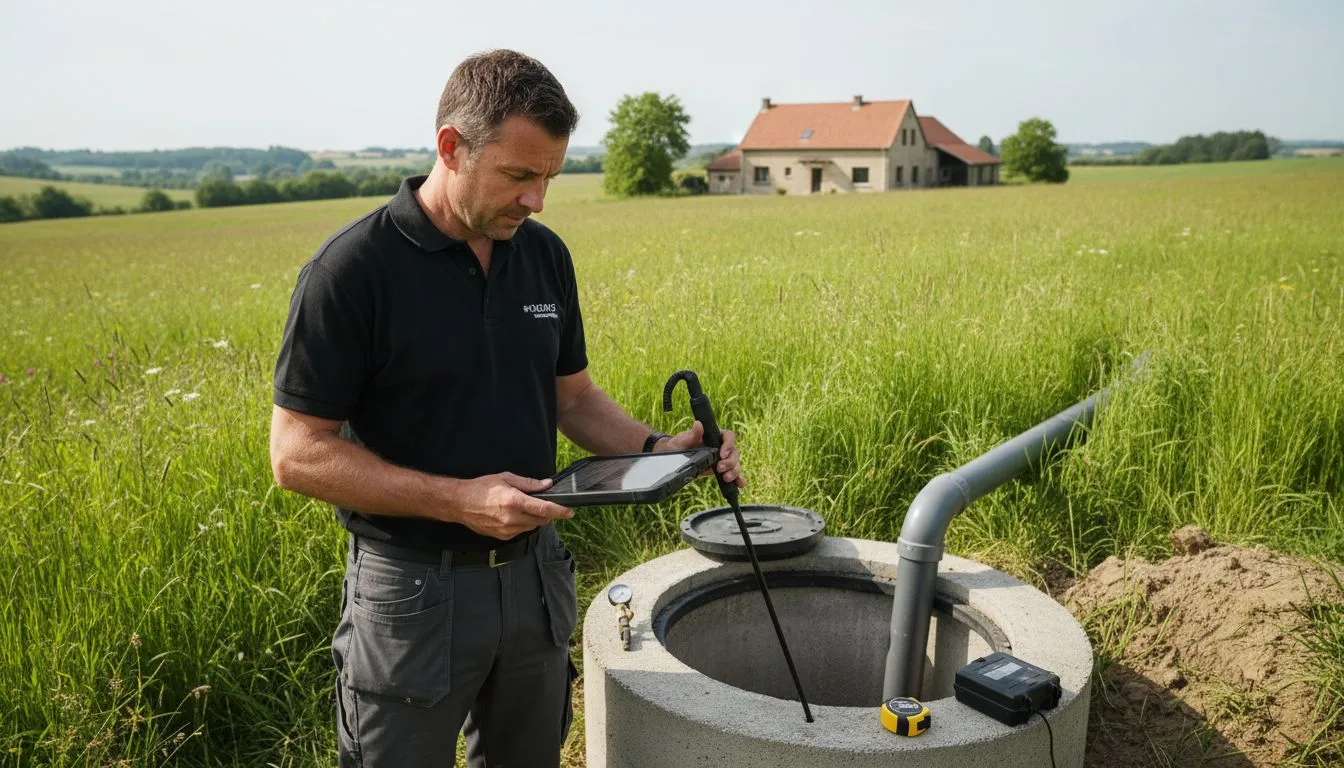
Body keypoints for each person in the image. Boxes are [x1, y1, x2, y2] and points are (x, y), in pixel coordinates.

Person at [267, 49, 743, 767]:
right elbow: (296, 453)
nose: (536, 201)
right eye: (519, 176)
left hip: (535, 578)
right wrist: (458, 500)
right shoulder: (352, 271)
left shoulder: (542, 254)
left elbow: (573, 397)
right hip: (411, 594)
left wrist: (661, 451)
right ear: (452, 148)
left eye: (549, 177)